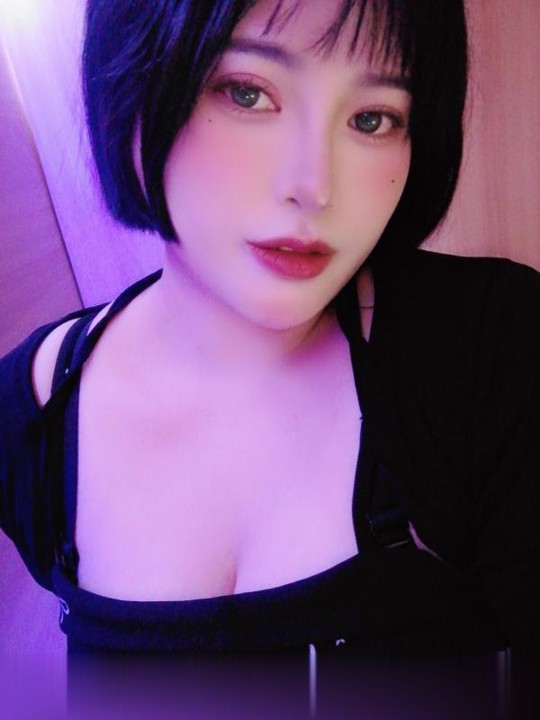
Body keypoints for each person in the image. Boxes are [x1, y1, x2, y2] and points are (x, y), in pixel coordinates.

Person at [1, 0, 539, 716]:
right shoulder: (29, 416)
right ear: (133, 80)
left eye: (372, 118)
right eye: (247, 92)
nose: (314, 186)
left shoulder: (496, 349)